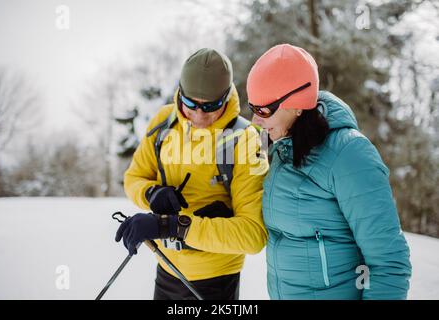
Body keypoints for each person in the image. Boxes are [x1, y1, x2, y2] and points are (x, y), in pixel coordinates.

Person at [247, 43, 412, 299]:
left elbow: (389, 263)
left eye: (263, 110)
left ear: (296, 104)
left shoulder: (349, 155)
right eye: (252, 107)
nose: (256, 119)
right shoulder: (282, 149)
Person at [115, 48, 268, 300]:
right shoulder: (164, 122)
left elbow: (253, 235)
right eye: (190, 104)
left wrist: (171, 226)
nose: (199, 115)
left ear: (226, 96)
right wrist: (151, 193)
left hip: (215, 280)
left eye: (211, 106)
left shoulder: (246, 140)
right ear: (180, 94)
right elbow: (134, 177)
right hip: (166, 269)